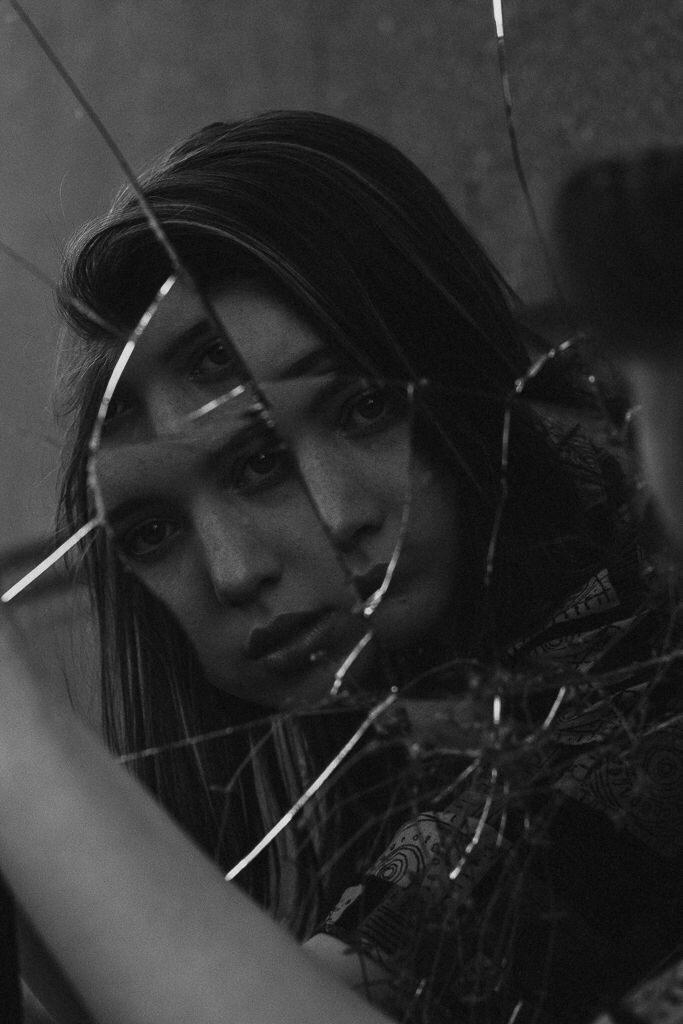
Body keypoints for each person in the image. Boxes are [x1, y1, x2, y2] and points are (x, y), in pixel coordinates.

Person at [2, 111, 678, 1024]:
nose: (234, 571)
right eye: (151, 531)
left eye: (263, 460)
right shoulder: (360, 789)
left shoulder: (651, 640)